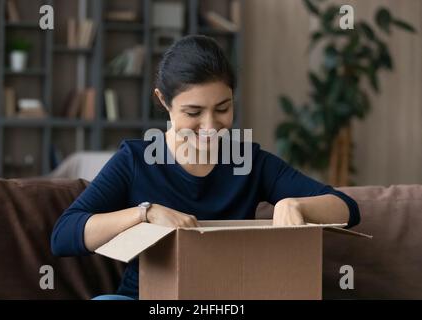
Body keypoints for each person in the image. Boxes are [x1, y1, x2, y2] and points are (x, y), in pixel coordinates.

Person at [51, 35, 360, 300]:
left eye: (223, 109)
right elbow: (64, 236)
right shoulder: (136, 160)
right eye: (193, 112)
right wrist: (144, 213)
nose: (211, 126)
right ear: (164, 101)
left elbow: (346, 208)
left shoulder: (249, 162)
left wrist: (298, 205)